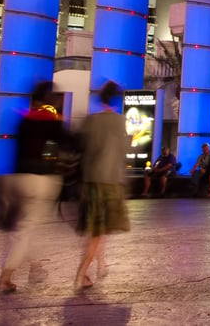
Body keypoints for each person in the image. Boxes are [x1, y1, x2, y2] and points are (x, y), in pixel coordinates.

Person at [0, 81, 73, 293]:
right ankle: (6, 276)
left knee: (25, 227)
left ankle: (35, 266)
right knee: (27, 228)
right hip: (38, 181)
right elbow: (69, 141)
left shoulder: (23, 119)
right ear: (50, 99)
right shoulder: (49, 119)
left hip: (16, 178)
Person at [74, 80, 131, 290]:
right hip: (109, 182)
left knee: (97, 230)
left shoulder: (91, 119)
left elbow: (83, 148)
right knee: (98, 233)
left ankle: (100, 264)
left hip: (89, 181)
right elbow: (121, 150)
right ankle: (81, 274)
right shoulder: (118, 121)